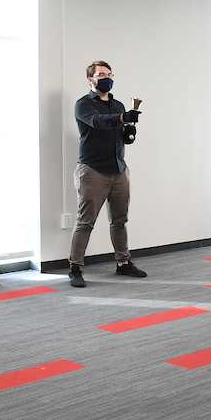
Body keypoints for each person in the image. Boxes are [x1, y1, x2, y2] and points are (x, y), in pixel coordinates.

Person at [68, 60, 145, 287]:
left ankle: (123, 263)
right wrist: (123, 118)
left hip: (118, 170)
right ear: (90, 79)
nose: (106, 78)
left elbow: (119, 134)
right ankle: (75, 267)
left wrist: (128, 132)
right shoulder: (83, 105)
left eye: (109, 74)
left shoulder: (118, 105)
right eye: (101, 74)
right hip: (92, 170)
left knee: (120, 221)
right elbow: (98, 122)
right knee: (86, 221)